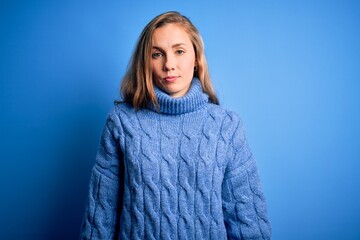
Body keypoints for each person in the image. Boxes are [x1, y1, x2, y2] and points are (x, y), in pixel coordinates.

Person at [80, 11, 271, 239]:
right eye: (157, 54)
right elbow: (101, 214)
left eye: (179, 51)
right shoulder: (122, 122)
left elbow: (247, 218)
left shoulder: (226, 127)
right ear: (145, 62)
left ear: (197, 59)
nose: (169, 64)